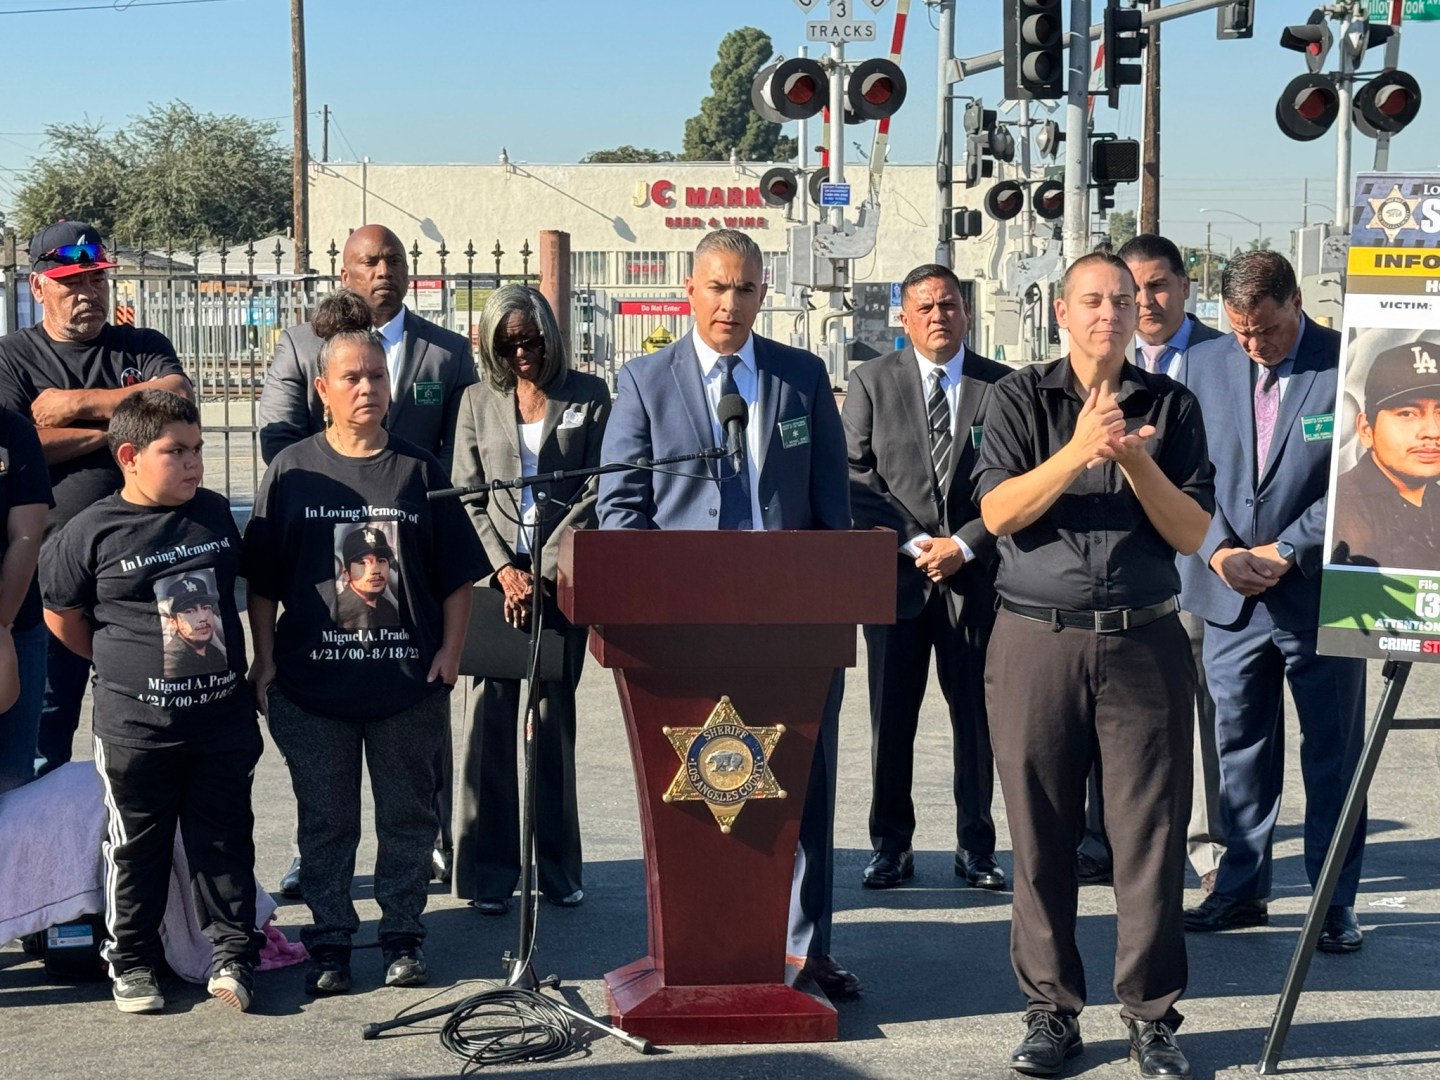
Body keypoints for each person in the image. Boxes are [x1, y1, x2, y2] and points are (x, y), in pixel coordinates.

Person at [597, 229, 857, 999]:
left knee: (798, 792)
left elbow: (830, 512)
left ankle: (806, 954)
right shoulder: (646, 381)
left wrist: (831, 595)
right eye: (716, 287)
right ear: (690, 289)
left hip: (790, 637)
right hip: (683, 639)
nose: (729, 304)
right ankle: (700, 949)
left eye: (744, 289)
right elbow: (621, 510)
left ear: (763, 293)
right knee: (697, 797)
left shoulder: (800, 377)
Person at [974, 252, 1213, 1078]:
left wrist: (1133, 457)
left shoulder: (1172, 406)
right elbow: (999, 511)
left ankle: (1152, 1015)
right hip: (1036, 639)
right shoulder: (1015, 398)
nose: (1111, 311)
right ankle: (1051, 1012)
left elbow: (1190, 534)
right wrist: (1078, 451)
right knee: (1039, 833)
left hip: (1144, 641)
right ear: (1063, 315)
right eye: (1093, 300)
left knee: (1149, 834)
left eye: (1125, 298)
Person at [243, 289, 484, 996]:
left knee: (409, 818)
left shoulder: (417, 470)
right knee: (327, 822)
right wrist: (263, 662)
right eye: (351, 378)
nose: (367, 389)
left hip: (405, 685)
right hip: (312, 689)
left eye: (376, 377)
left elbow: (456, 576)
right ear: (322, 389)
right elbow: (262, 581)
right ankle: (332, 944)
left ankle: (405, 937)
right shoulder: (293, 472)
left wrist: (451, 653)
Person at [41, 389, 263, 1014]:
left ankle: (232, 955)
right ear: (131, 456)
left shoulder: (215, 514)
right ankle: (133, 961)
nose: (193, 462)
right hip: (137, 728)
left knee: (223, 840)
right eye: (176, 452)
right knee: (136, 847)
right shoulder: (89, 531)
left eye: (197, 449)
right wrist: (121, 668)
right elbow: (61, 614)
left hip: (221, 719)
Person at [1180, 251, 1369, 954]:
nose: (1253, 345)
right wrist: (1224, 552)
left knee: (1333, 755)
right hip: (1230, 594)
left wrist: (1288, 548)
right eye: (1240, 332)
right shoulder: (1203, 365)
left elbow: (1364, 474)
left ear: (1296, 302)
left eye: (1266, 330)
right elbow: (1189, 477)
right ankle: (1240, 888)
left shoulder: (1347, 363)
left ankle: (1331, 903)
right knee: (1239, 750)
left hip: (1320, 590)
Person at [0, 221, 190, 777]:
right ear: (38, 288)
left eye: (96, 280)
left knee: (152, 735)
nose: (88, 293)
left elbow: (176, 401)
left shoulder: (142, 346)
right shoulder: (13, 358)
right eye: (71, 282)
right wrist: (123, 430)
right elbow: (22, 446)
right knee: (42, 743)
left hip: (143, 575)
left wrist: (77, 403)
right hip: (49, 578)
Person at [841, 263, 1007, 893]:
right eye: (926, 307)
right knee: (892, 721)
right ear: (904, 319)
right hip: (898, 582)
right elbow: (856, 477)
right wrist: (917, 544)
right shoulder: (872, 382)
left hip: (976, 581)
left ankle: (977, 847)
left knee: (977, 720)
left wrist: (964, 544)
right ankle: (890, 846)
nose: (940, 316)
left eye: (950, 305)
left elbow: (1015, 479)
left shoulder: (1003, 385)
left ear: (967, 312)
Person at [1072, 235, 1230, 893]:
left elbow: (1236, 466)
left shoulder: (1226, 358)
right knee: (1103, 716)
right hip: (1124, 577)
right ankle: (1099, 837)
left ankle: (1207, 846)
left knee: (1202, 719)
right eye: (1131, 290)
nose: (1144, 301)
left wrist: (1226, 548)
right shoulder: (1101, 361)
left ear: (1185, 286)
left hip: (1211, 561)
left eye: (1158, 285)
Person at [450, 285, 611, 915]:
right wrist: (505, 572)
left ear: (551, 333)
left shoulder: (590, 396)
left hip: (561, 582)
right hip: (497, 588)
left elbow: (599, 488)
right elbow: (467, 493)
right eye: (507, 342)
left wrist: (542, 569)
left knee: (551, 726)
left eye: (531, 339)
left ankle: (559, 871)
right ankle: (490, 876)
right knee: (490, 729)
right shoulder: (474, 401)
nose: (521, 352)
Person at [1330, 339, 1440, 569]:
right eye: (1408, 413)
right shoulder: (1344, 506)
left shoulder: (1433, 496)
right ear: (1365, 429)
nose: (1432, 431)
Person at [0, 404, 52, 796]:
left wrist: (2, 622)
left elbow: (26, 536)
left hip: (17, 621)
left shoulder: (11, 430)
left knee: (13, 781)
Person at [332, 525, 402, 629]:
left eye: (381, 560)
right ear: (347, 573)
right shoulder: (340, 612)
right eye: (364, 563)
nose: (375, 571)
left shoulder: (387, 607)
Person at [160, 575, 227, 679]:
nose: (203, 618)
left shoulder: (214, 653)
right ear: (173, 622)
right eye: (189, 611)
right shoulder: (174, 660)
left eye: (205, 608)